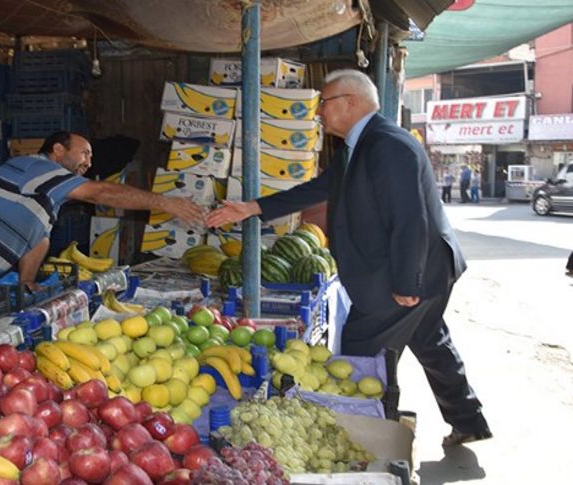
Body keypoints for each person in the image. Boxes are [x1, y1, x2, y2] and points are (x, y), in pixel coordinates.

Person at [206, 69, 491, 446]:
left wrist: (407, 283)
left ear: (351, 102)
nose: (319, 113)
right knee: (429, 340)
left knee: (357, 356)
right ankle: (468, 420)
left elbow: (410, 218)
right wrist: (252, 208)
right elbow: (316, 189)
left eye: (324, 103)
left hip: (407, 274)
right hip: (417, 271)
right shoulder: (357, 148)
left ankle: (369, 440)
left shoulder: (388, 145)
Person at [0, 131, 204, 302]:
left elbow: (38, 239)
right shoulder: (36, 167)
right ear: (57, 150)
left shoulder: (47, 195)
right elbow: (99, 192)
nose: (88, 162)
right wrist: (166, 202)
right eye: (83, 153)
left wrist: (25, 281)